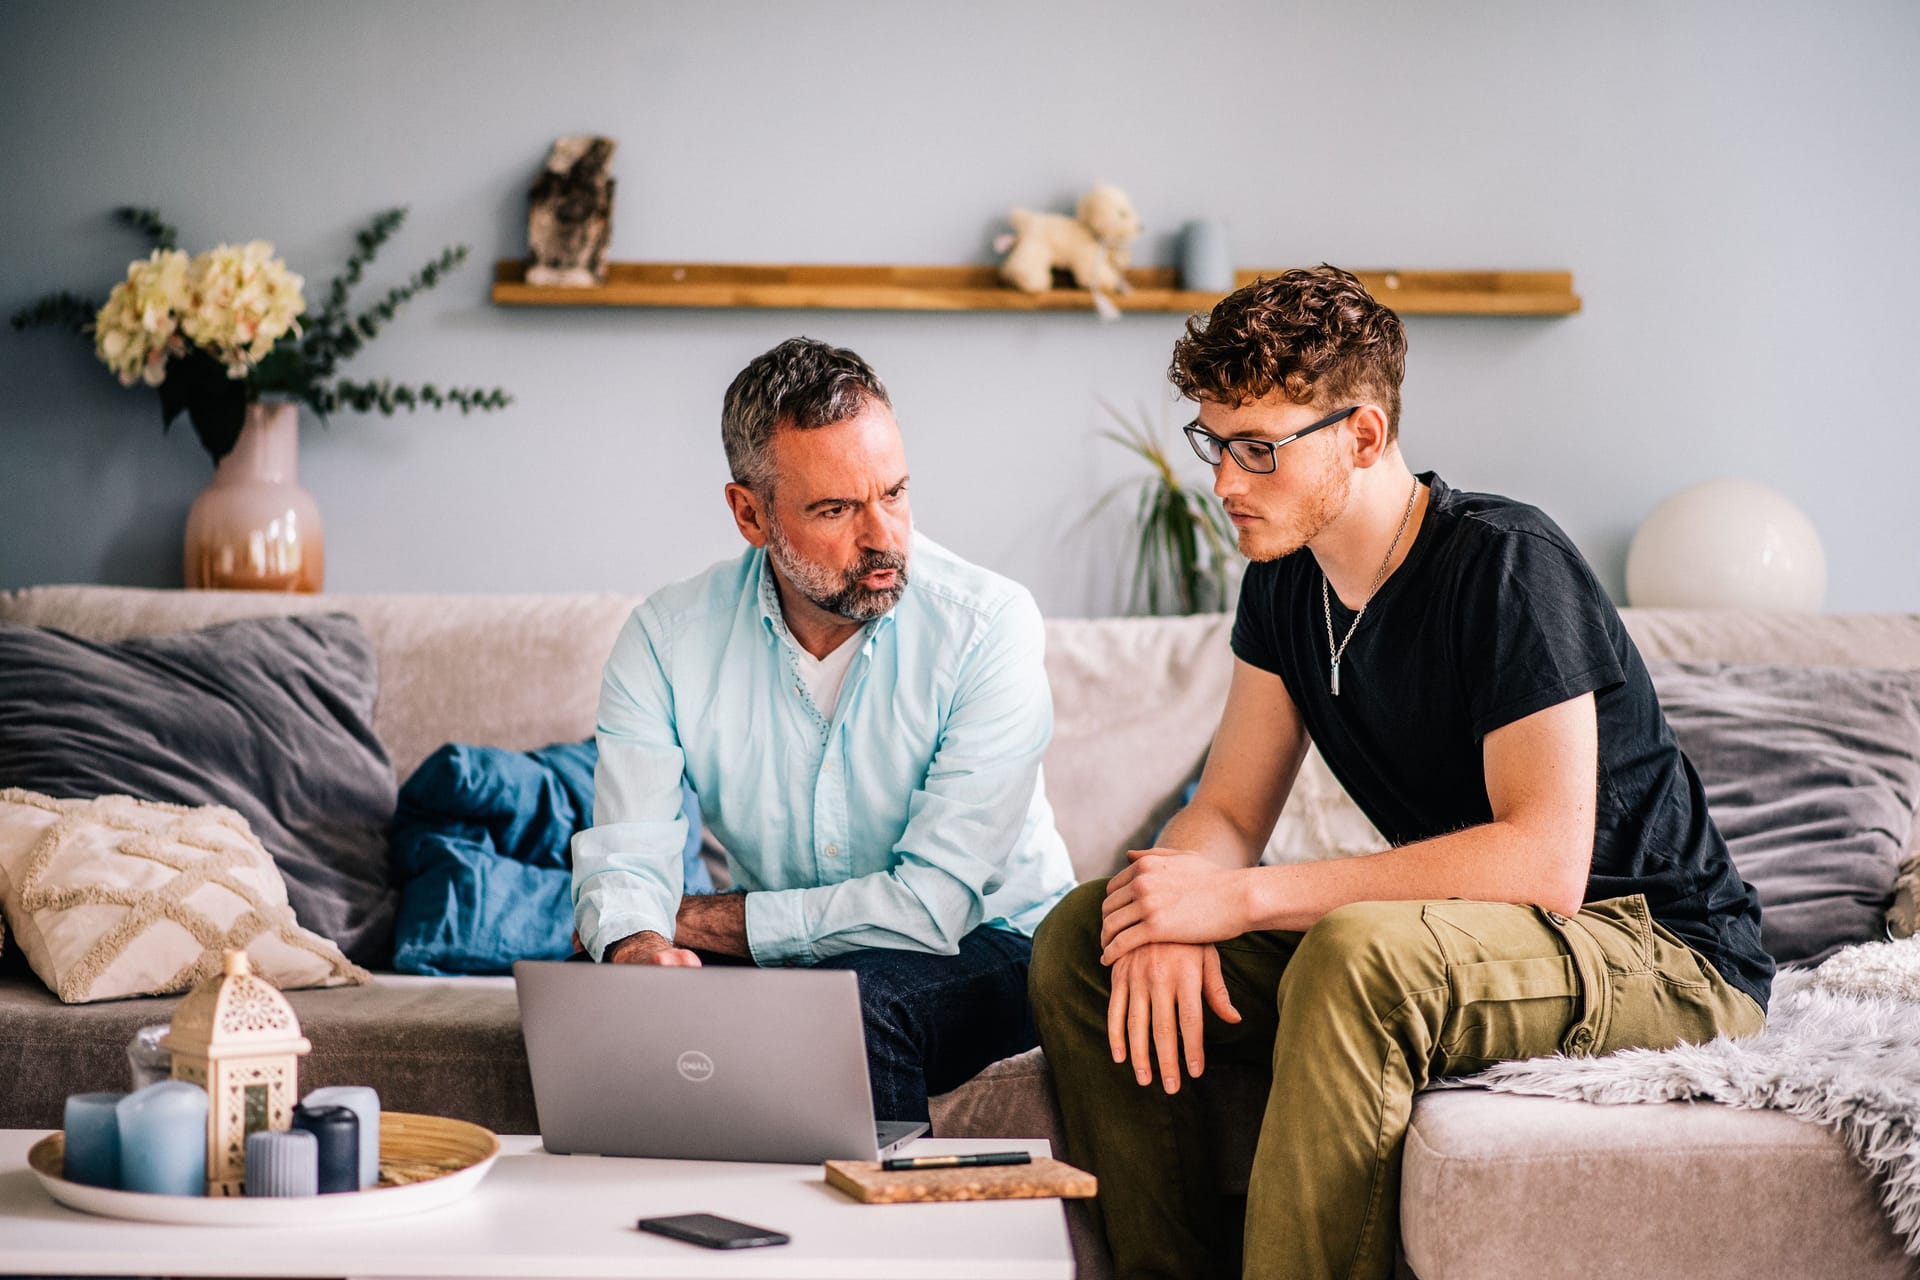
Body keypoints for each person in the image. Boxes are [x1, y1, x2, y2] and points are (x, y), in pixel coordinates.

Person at [1029, 267, 1773, 1280]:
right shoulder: (1284, 578)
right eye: (1217, 442)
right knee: (1089, 932)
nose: (1225, 483)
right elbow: (1230, 807)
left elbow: (1543, 860)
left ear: (1364, 435)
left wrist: (1238, 898)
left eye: (1259, 449)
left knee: (1355, 953)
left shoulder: (1506, 563)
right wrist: (1167, 906)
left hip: (1656, 947)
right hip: (1489, 940)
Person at [572, 335, 1076, 1126]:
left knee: (849, 1010)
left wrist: (700, 919)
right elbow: (629, 855)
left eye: (896, 494)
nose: (884, 538)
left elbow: (931, 907)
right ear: (750, 514)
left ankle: (870, 1248)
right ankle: (664, 1241)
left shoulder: (988, 627)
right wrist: (637, 939)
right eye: (837, 510)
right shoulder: (666, 639)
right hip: (801, 950)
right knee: (598, 977)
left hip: (994, 942)